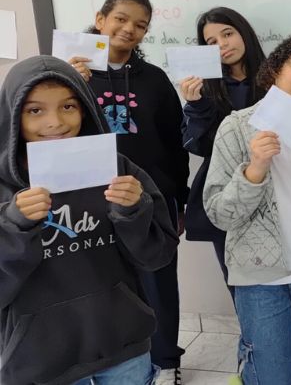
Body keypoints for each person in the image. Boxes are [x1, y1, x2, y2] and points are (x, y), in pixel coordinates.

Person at [0, 56, 177, 384]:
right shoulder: (5, 187)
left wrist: (133, 213)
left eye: (68, 106)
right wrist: (14, 226)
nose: (55, 123)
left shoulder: (116, 168)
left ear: (85, 108)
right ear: (12, 115)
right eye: (35, 110)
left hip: (123, 344)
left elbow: (158, 256)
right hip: (40, 359)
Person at [204, 35, 291, 385]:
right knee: (272, 374)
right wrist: (254, 170)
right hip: (261, 280)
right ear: (275, 70)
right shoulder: (237, 127)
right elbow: (219, 213)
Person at [67, 0, 189, 384]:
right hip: (91, 201)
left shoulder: (154, 80)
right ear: (101, 20)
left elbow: (175, 141)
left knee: (159, 282)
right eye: (121, 19)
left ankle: (167, 362)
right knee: (101, 282)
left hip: (152, 198)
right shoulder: (69, 76)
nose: (129, 30)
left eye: (141, 26)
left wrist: (179, 199)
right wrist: (72, 85)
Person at [180, 6, 266, 297]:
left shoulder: (276, 77)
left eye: (227, 33)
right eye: (211, 42)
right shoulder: (205, 88)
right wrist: (197, 105)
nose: (222, 45)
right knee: (237, 281)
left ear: (243, 32)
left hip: (272, 189)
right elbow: (201, 147)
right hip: (225, 194)